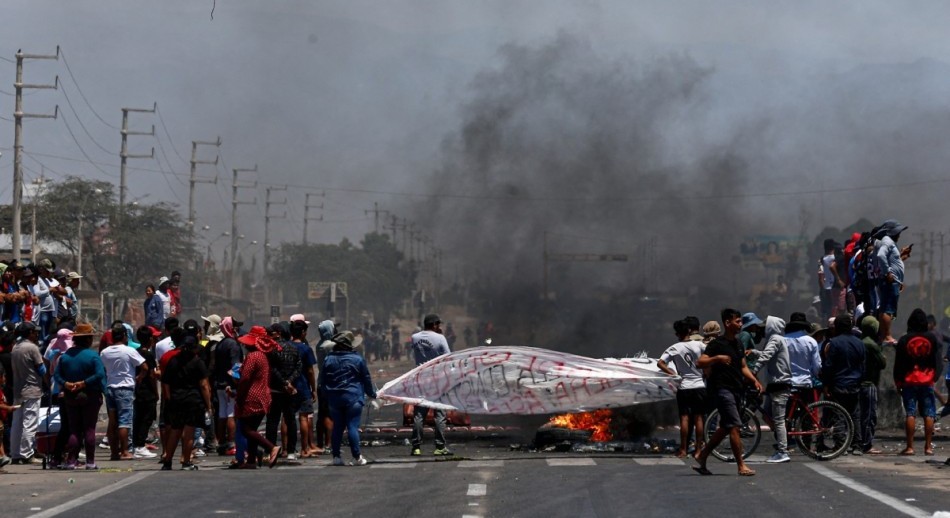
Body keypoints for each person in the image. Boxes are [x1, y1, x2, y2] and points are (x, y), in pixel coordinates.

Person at [693, 308, 763, 477]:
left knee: (725, 427)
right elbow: (700, 362)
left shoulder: (738, 343)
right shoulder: (718, 344)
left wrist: (754, 380)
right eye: (737, 321)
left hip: (737, 389)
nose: (740, 324)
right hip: (722, 390)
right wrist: (717, 358)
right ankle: (741, 465)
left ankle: (702, 456)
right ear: (727, 323)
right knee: (734, 426)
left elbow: (743, 366)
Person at [53, 323, 104, 470]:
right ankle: (90, 461)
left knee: (74, 429)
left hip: (70, 395)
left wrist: (66, 383)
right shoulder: (93, 356)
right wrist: (84, 383)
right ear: (88, 339)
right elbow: (100, 374)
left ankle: (71, 461)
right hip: (90, 394)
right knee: (89, 428)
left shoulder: (65, 357)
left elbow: (56, 375)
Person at [321, 330, 376, 466]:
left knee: (338, 427)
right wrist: (371, 393)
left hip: (334, 398)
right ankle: (356, 457)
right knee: (352, 426)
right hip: (353, 397)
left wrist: (327, 396)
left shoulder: (328, 359)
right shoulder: (357, 359)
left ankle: (336, 457)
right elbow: (366, 378)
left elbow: (323, 380)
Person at [893, 308, 941, 456]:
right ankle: (928, 447)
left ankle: (910, 447)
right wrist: (934, 377)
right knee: (929, 414)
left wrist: (898, 382)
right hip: (926, 381)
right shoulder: (932, 338)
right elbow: (936, 361)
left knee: (911, 413)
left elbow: (899, 364)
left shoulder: (904, 340)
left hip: (909, 381)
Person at [160, 335, 212, 470]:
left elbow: (166, 383)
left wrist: (169, 398)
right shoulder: (198, 362)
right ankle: (186, 461)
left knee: (175, 430)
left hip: (176, 399)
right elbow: (204, 385)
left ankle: (167, 461)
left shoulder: (173, 361)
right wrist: (208, 405)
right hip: (193, 401)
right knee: (189, 432)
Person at [656, 319, 705, 459]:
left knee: (684, 418)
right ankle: (698, 450)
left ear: (677, 333)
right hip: (700, 385)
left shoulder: (674, 348)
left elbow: (661, 363)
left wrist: (674, 374)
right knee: (699, 418)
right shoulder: (699, 345)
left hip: (684, 386)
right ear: (689, 331)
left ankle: (683, 450)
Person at [235, 326, 281, 469]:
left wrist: (239, 394)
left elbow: (245, 378)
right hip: (263, 396)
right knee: (253, 429)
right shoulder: (262, 356)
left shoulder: (253, 356)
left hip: (252, 396)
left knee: (246, 429)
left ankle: (271, 447)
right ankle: (251, 461)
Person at [747, 316, 791, 463]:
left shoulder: (775, 339)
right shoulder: (776, 339)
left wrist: (753, 370)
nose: (763, 329)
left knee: (778, 420)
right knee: (767, 415)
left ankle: (783, 451)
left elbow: (766, 356)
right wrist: (754, 352)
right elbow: (768, 355)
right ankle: (781, 443)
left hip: (779, 384)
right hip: (775, 384)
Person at [99, 323, 145, 461]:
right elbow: (145, 366)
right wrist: (138, 378)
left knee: (112, 422)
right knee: (124, 421)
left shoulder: (104, 352)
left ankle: (114, 452)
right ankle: (125, 451)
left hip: (110, 387)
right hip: (125, 388)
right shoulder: (129, 351)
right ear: (125, 336)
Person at [821, 313, 865, 455]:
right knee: (855, 416)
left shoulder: (834, 343)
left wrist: (826, 384)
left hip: (839, 385)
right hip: (855, 385)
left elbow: (829, 366)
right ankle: (857, 445)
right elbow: (863, 366)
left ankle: (841, 446)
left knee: (839, 415)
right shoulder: (859, 343)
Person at [410, 314, 453, 456]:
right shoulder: (440, 338)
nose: (440, 327)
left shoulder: (415, 337)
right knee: (439, 414)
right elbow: (448, 357)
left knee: (419, 415)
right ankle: (440, 447)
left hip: (420, 379)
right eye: (438, 325)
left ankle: (416, 447)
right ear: (434, 325)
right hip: (437, 380)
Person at [10, 322, 44, 464]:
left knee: (17, 423)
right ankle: (27, 454)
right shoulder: (32, 348)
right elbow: (42, 370)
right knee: (30, 423)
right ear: (29, 333)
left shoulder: (15, 348)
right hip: (32, 390)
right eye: (34, 332)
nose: (36, 334)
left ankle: (15, 453)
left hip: (18, 390)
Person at [266, 322, 301, 461]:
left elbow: (272, 369)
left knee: (272, 421)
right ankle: (292, 451)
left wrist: (284, 382)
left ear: (278, 333)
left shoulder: (272, 349)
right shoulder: (294, 348)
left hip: (276, 389)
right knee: (291, 420)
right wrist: (289, 382)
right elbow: (299, 367)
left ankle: (270, 450)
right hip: (289, 390)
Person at [875, 220, 912, 344]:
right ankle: (887, 336)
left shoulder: (889, 242)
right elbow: (881, 255)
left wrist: (901, 256)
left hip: (892, 281)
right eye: (898, 232)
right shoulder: (887, 241)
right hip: (890, 281)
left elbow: (891, 260)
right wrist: (888, 273)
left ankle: (883, 335)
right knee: (888, 309)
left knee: (885, 308)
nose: (899, 235)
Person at [212, 316, 242, 456]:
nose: (237, 329)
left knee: (222, 414)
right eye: (235, 326)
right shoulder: (233, 345)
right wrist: (236, 382)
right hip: (230, 385)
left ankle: (221, 442)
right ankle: (232, 443)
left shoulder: (220, 344)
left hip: (219, 384)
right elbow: (235, 366)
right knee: (231, 414)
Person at [289, 319, 319, 457]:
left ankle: (286, 449)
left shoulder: (285, 347)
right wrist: (313, 389)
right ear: (302, 332)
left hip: (288, 387)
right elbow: (310, 371)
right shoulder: (305, 349)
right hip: (303, 386)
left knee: (286, 418)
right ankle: (304, 449)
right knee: (304, 418)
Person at [857, 315, 885, 454]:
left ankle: (858, 442)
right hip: (869, 383)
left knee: (859, 415)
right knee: (869, 416)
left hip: (857, 383)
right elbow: (882, 363)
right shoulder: (871, 345)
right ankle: (867, 444)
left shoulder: (859, 341)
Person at [132, 326, 160, 459]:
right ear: (149, 339)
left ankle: (136, 444)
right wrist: (156, 392)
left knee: (138, 418)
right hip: (147, 390)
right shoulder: (148, 355)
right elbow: (151, 375)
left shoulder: (135, 352)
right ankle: (140, 445)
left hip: (137, 390)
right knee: (146, 419)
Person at [314, 319, 336, 454]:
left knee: (322, 414)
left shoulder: (319, 345)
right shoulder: (329, 346)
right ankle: (329, 442)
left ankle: (320, 442)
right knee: (329, 414)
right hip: (330, 383)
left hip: (321, 382)